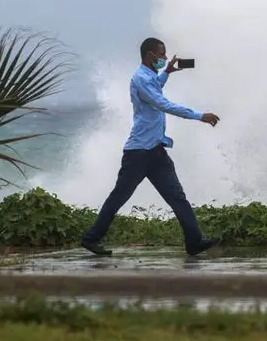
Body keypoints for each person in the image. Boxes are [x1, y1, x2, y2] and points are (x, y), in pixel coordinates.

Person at [80, 37, 222, 257]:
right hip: (137, 153)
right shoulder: (140, 79)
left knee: (177, 196)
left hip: (155, 151)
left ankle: (194, 242)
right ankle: (90, 239)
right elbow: (162, 103)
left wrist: (167, 73)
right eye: (162, 55)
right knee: (119, 197)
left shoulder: (150, 77)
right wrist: (199, 115)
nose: (165, 58)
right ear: (150, 55)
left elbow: (155, 89)